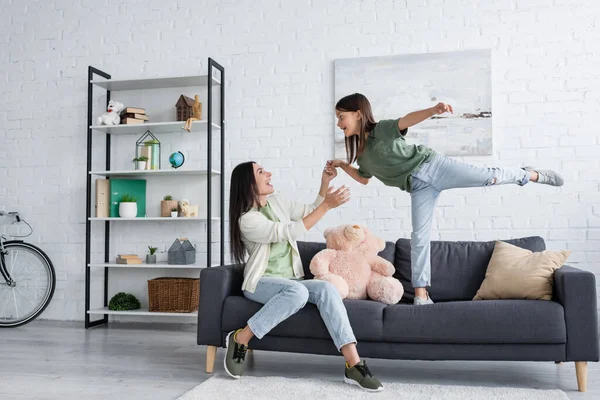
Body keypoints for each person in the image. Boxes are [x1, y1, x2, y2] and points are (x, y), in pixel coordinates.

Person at [327, 93, 564, 306]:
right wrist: (341, 164)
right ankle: (421, 296)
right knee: (419, 237)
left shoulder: (382, 130)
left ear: (358, 114)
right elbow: (363, 178)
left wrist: (433, 110)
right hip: (418, 187)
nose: (339, 123)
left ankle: (530, 174)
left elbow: (407, 120)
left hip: (434, 167)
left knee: (489, 178)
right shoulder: (363, 157)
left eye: (341, 117)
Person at [225, 161, 384, 392]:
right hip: (260, 282)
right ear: (249, 184)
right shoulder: (247, 219)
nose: (269, 172)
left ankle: (354, 364)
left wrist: (324, 185)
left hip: (291, 283)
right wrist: (327, 206)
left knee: (327, 289)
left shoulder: (277, 201)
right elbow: (289, 231)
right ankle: (240, 338)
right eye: (261, 172)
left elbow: (309, 211)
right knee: (298, 291)